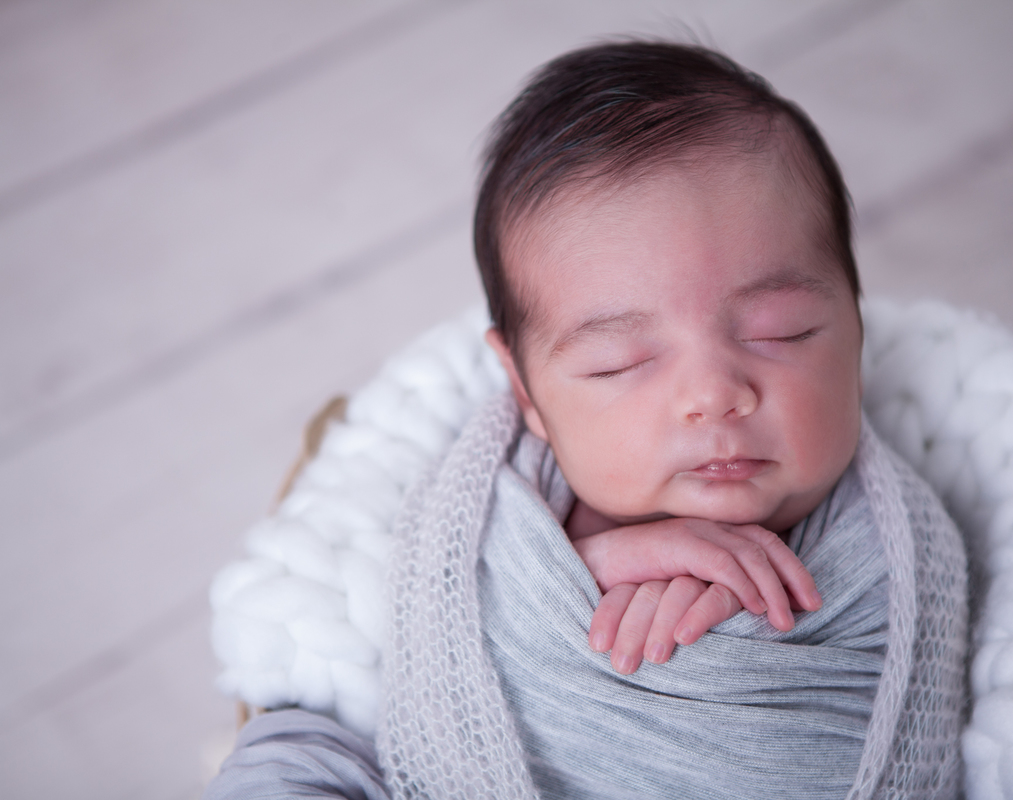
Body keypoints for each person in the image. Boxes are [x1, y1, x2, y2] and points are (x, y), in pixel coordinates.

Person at [205, 40, 969, 800]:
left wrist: (773, 612)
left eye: (780, 331)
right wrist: (582, 569)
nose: (713, 393)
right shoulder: (485, 525)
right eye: (621, 362)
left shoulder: (901, 546)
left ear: (855, 332)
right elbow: (403, 677)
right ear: (529, 396)